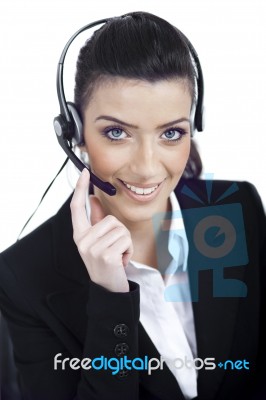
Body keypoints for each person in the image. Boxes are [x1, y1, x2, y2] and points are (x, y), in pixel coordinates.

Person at [0, 11, 265, 400]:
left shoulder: (236, 209)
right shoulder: (23, 276)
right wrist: (110, 297)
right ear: (75, 133)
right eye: (117, 133)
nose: (146, 167)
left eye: (171, 133)